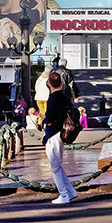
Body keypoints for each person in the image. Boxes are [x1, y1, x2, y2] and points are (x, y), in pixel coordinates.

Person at [42, 72, 78, 205]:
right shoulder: (64, 97)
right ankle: (70, 191)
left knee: (55, 167)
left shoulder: (52, 99)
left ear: (48, 84)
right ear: (61, 83)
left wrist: (44, 122)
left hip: (53, 134)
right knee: (58, 165)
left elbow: (50, 118)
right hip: (62, 133)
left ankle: (64, 195)